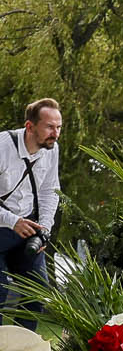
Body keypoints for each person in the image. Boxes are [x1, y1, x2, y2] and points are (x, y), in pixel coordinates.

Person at [0, 99, 61, 321]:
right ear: (30, 126)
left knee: (36, 294)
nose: (55, 134)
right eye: (49, 127)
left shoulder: (51, 149)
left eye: (58, 127)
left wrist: (44, 228)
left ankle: (23, 344)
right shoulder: (2, 147)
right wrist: (12, 220)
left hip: (27, 231)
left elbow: (49, 191)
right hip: (3, 226)